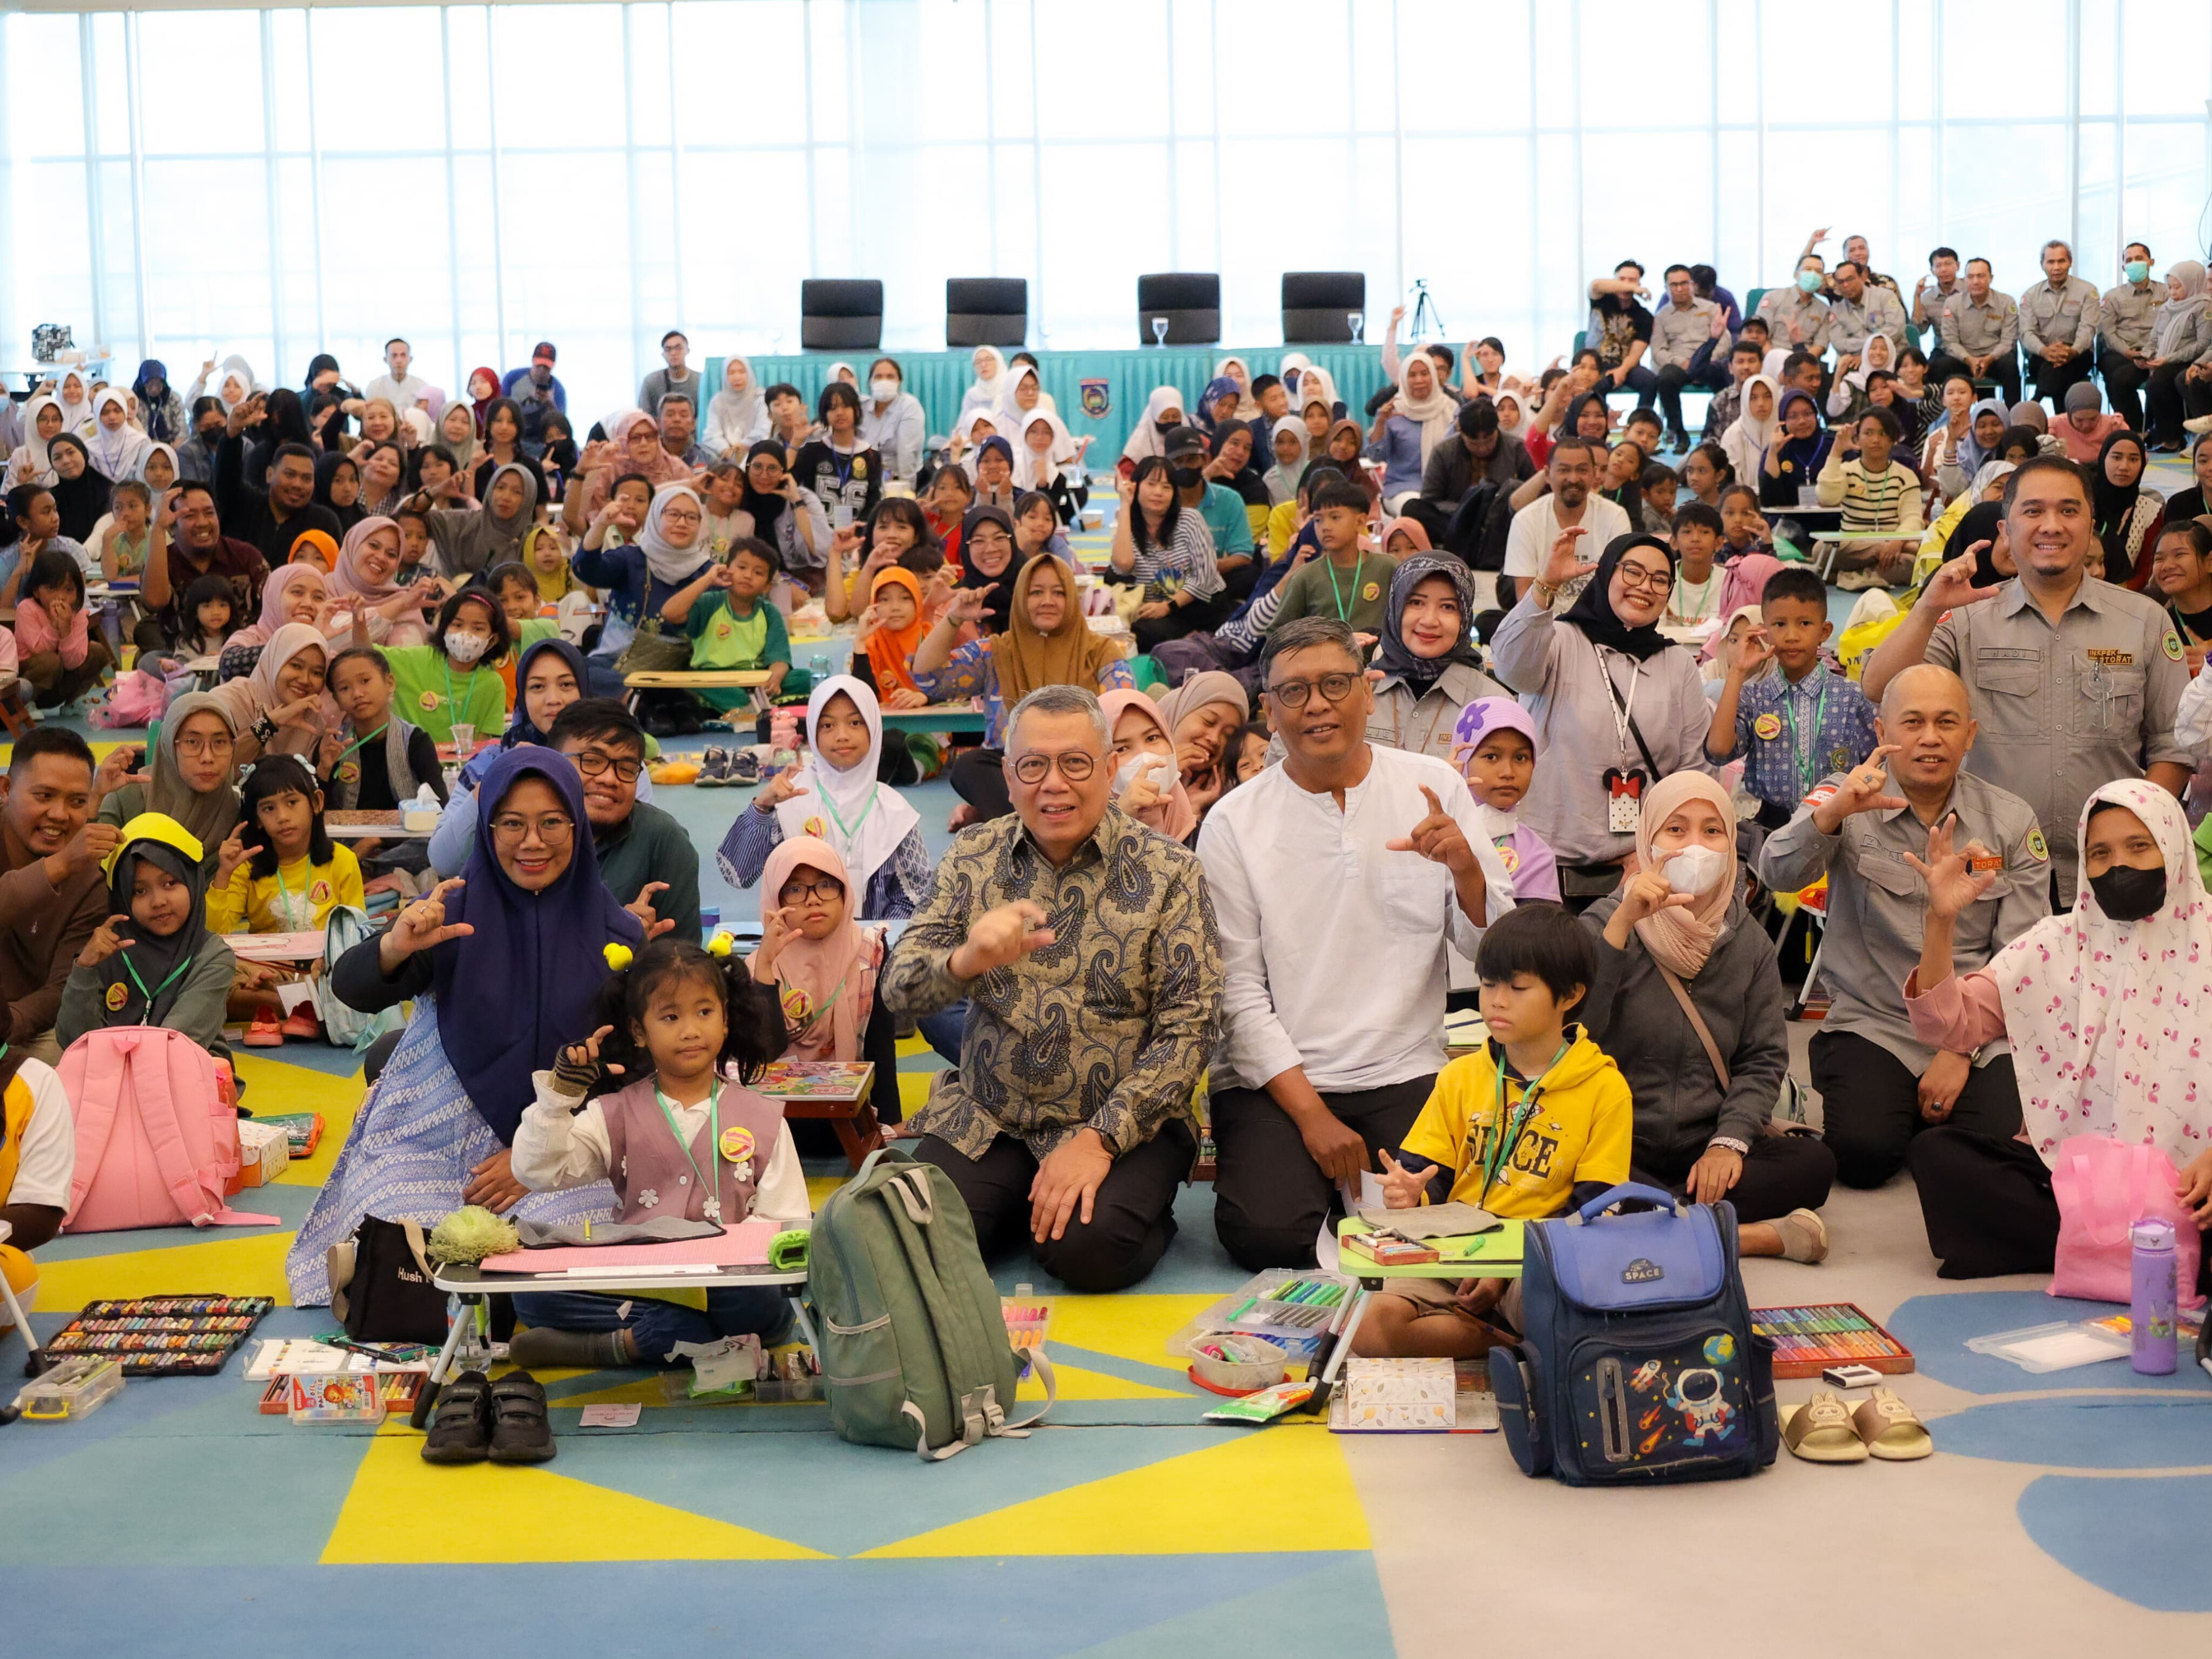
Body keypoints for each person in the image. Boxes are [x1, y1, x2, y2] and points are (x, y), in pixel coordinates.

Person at [881, 685, 1220, 1293]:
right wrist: (965, 961)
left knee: (1087, 1252)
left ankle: (1127, 1207)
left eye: (1076, 763)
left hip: (1124, 1124)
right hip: (995, 1115)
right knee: (914, 1245)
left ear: (1111, 769)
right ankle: (1016, 1205)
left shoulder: (1171, 871)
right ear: (1009, 777)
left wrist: (1098, 1140)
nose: (1054, 784)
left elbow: (1190, 1028)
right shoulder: (974, 857)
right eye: (1033, 765)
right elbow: (898, 995)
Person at [1199, 617, 1508, 1269]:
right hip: (1278, 1082)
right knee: (1267, 1236)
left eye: (1335, 684)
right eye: (1295, 691)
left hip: (1405, 1065)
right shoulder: (1233, 822)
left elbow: (1494, 953)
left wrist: (1465, 871)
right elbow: (1237, 991)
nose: (1317, 705)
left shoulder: (1432, 788)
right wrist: (1313, 1118)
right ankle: (1328, 1186)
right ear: (1269, 710)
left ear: (1367, 692)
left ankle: (1354, 1195)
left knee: (1455, 1214)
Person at [288, 748, 646, 1303]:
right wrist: (395, 946)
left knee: (580, 1247)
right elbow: (351, 988)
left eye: (552, 822)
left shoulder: (617, 936)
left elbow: (635, 1079)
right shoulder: (448, 915)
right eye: (512, 824)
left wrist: (533, 1159)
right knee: (388, 1225)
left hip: (566, 1146)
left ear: (577, 827)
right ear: (487, 827)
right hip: (440, 1137)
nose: (533, 842)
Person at [1902, 780, 2212, 1280]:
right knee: (1939, 1155)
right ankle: (2146, 1248)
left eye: (2139, 846)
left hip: (2192, 1185)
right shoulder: (2054, 943)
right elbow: (1948, 1025)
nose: (2119, 866)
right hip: (2076, 1180)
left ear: (2173, 845)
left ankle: (2098, 1245)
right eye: (2100, 853)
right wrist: (1941, 921)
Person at [1755, 664, 2047, 1191]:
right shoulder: (1842, 796)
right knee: (1863, 1156)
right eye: (1912, 723)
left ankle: (1925, 1115)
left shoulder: (2009, 823)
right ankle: (1897, 1111)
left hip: (1975, 1029)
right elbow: (1774, 871)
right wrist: (1834, 814)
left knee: (2004, 1148)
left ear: (1970, 735)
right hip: (1873, 1023)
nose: (1930, 738)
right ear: (1882, 732)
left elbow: (2021, 957)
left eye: (1946, 723)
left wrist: (1960, 1051)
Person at [1864, 456, 2191, 902]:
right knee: (1993, 972)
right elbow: (1880, 689)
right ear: (2006, 530)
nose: (2052, 525)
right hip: (1990, 865)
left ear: (2091, 525)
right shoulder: (1966, 620)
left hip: (2108, 866)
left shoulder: (2146, 621)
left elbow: (2173, 743)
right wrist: (1925, 608)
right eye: (2033, 511)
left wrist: (2136, 826)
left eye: (2069, 511)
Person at [504, 935, 802, 1370]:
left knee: (755, 1297)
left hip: (732, 1285)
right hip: (644, 1282)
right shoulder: (614, 1112)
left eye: (705, 1012)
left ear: (725, 1020)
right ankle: (685, 1336)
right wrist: (560, 1096)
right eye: (670, 1016)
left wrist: (711, 1268)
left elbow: (786, 1223)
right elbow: (537, 1172)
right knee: (532, 1292)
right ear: (639, 1031)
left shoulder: (765, 1119)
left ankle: (618, 1345)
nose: (690, 1029)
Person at [1349, 904, 1630, 1359]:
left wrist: (1505, 1269)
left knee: (1563, 1323)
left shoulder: (1605, 1088)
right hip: (1454, 1254)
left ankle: (1509, 1329)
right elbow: (1427, 1176)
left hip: (1539, 1261)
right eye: (1487, 984)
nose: (1497, 1000)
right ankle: (1501, 1340)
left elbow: (1593, 1214)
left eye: (1518, 988)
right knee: (1369, 1331)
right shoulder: (1460, 1077)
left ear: (1571, 995)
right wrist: (1409, 1196)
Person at [1580, 773, 1835, 1260]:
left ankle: (1655, 1225)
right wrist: (1621, 926)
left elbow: (1763, 1060)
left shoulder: (1750, 942)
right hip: (1618, 1144)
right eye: (1676, 830)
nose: (1695, 846)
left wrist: (1729, 1142)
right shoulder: (1605, 922)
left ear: (1729, 844)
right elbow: (1574, 1034)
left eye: (1712, 831)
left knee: (1813, 1163)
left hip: (1705, 1142)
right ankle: (1740, 1236)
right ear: (1648, 840)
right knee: (1577, 1180)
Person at [1490, 531, 1713, 907]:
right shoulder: (1559, 640)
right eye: (1633, 572)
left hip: (1638, 871)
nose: (1645, 587)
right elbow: (1512, 669)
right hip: (1544, 866)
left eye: (1660, 580)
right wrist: (1546, 585)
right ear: (1607, 574)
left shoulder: (1677, 665)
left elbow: (1692, 773)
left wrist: (1661, 852)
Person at [917, 550, 1130, 822]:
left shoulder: (1100, 651)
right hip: (1018, 770)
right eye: (1036, 593)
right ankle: (1030, 827)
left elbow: (1122, 712)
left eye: (1059, 593)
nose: (1048, 602)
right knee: (972, 766)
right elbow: (929, 678)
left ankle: (1006, 824)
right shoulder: (998, 651)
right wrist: (954, 618)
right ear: (1020, 599)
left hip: (1078, 767)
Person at [720, 675, 930, 918]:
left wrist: (874, 942)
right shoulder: (791, 798)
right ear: (812, 731)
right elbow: (738, 874)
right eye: (828, 726)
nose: (842, 735)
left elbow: (914, 897)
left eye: (855, 723)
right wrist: (763, 806)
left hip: (874, 947)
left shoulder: (894, 811)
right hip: (798, 943)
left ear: (873, 728)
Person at [747, 835, 902, 1129]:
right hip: (778, 1120)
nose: (813, 898)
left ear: (845, 892)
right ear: (774, 900)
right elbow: (766, 1052)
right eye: (795, 889)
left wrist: (890, 1123)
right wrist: (766, 970)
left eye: (826, 884)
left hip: (852, 1114)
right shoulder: (756, 967)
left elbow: (880, 1044)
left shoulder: (871, 952)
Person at [1705, 565, 1877, 827]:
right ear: (1765, 631)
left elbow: (1877, 764)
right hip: (1771, 826)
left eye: (1805, 624)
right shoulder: (1755, 697)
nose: (1792, 636)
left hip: (1842, 822)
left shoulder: (1851, 697)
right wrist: (1738, 671)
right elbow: (1718, 751)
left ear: (1825, 631)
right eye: (1780, 624)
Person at [60, 811, 236, 1058]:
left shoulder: (212, 956)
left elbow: (177, 1045)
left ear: (193, 883)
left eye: (170, 883)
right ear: (122, 898)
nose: (159, 902)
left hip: (188, 1084)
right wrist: (85, 968)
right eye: (139, 891)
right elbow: (73, 1041)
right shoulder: (108, 950)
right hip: (110, 1085)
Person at [0, 728, 114, 1062]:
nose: (60, 815)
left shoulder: (91, 881)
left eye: (77, 801)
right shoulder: (71, 861)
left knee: (77, 1057)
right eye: (44, 796)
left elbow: (65, 984)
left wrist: (8, 1025)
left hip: (26, 1028)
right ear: (6, 789)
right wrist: (58, 865)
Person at [574, 480, 716, 697]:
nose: (682, 523)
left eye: (691, 517)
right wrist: (601, 524)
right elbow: (586, 570)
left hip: (680, 672)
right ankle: (641, 698)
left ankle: (643, 699)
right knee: (574, 672)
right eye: (673, 514)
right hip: (617, 667)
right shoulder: (631, 559)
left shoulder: (709, 573)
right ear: (656, 516)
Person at [1366, 554, 1503, 763]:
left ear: (1465, 617)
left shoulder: (1492, 704)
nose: (1429, 620)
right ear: (1396, 608)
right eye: (1416, 602)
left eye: (1448, 607)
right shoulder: (1359, 692)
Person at [1110, 453, 1228, 651]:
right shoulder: (1127, 526)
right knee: (1136, 635)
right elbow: (1122, 566)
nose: (1159, 492)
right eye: (1151, 484)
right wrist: (1124, 503)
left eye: (1167, 487)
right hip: (1160, 611)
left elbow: (1205, 576)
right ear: (1135, 486)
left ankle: (1197, 642)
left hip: (1201, 606)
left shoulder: (1190, 519)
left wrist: (1169, 606)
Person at [664, 535, 791, 713]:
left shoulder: (770, 613)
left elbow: (780, 658)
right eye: (742, 567)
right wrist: (707, 579)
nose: (748, 576)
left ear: (767, 586)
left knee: (802, 678)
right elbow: (670, 613)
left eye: (758, 573)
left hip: (755, 679)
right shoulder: (710, 603)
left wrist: (775, 677)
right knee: (701, 682)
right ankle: (751, 706)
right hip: (714, 678)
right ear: (727, 569)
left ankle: (752, 704)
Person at [1500, 438, 1633, 608]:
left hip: (1597, 626)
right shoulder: (1526, 520)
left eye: (1582, 470)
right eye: (1564, 470)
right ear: (1548, 475)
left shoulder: (1615, 517)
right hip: (1544, 624)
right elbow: (1525, 602)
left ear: (1594, 474)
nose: (1573, 479)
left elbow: (1621, 589)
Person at [1452, 697, 1560, 904]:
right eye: (1491, 757)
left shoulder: (1536, 857)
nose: (1508, 773)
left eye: (1521, 758)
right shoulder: (1430, 833)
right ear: (1463, 759)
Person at [214, 401, 343, 568]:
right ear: (269, 475)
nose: (297, 484)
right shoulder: (245, 504)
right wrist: (233, 433)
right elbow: (226, 477)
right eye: (290, 475)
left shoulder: (325, 521)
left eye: (306, 478)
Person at [320, 646, 448, 814]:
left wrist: (376, 841)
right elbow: (319, 813)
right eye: (345, 688)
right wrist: (323, 769)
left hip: (408, 837)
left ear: (390, 683)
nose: (357, 694)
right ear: (337, 700)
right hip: (347, 839)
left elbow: (440, 808)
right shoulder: (334, 745)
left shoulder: (415, 741)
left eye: (365, 681)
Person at [1265, 477, 1400, 635]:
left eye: (1335, 517)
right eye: (1318, 520)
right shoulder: (1305, 577)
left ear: (1360, 522)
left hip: (1378, 658)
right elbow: (1277, 633)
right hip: (1322, 658)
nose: (1325, 527)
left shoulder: (1387, 568)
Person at [1820, 408, 1926, 590]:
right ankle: (1871, 573)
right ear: (1857, 438)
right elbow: (1826, 497)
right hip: (1853, 544)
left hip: (1893, 546)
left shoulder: (1906, 476)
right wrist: (1836, 451)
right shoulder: (1847, 471)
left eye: (1883, 434)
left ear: (1893, 439)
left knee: (1911, 564)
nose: (1876, 440)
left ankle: (1847, 575)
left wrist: (1896, 543)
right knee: (1822, 550)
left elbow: (1913, 518)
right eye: (1868, 433)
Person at [15, 550, 113, 707]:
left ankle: (73, 702)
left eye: (69, 590)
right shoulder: (27, 609)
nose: (60, 597)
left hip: (59, 685)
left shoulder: (78, 615)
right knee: (51, 661)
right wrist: (54, 627)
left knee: (97, 651)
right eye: (51, 589)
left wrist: (66, 631)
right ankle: (27, 704)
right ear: (36, 591)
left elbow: (72, 664)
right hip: (31, 681)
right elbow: (39, 649)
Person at [1650, 264, 1729, 449]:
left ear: (1692, 285)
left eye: (1684, 283)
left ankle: (1718, 430)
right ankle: (1679, 434)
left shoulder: (1711, 308)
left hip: (1708, 361)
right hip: (1680, 365)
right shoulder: (1661, 316)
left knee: (1724, 372)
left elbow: (1725, 341)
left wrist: (1705, 360)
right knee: (1666, 378)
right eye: (1674, 285)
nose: (1679, 289)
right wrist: (1682, 363)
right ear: (1667, 288)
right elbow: (1658, 351)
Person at [2019, 240, 2102, 408]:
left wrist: (2072, 351)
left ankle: (2036, 402)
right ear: (2043, 265)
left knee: (2059, 369)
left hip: (2078, 355)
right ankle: (2061, 421)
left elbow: (2088, 328)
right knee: (2056, 371)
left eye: (2061, 261)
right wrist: (2045, 351)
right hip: (2041, 356)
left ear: (2070, 262)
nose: (2056, 267)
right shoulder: (2031, 295)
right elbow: (2026, 333)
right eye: (2051, 262)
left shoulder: (2088, 291)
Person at [792, 381, 882, 531]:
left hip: (857, 537)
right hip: (817, 536)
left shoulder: (871, 455)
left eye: (845, 406)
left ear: (857, 411)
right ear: (824, 415)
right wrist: (796, 442)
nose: (840, 412)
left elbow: (873, 503)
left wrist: (857, 534)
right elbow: (788, 482)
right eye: (832, 408)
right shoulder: (812, 451)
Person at [2143, 261, 2212, 452]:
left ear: (2192, 284)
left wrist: (2170, 359)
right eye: (2170, 287)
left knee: (2166, 381)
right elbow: (2155, 336)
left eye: (2177, 287)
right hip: (2165, 359)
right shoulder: (2167, 307)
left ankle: (2186, 438)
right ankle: (2169, 436)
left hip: (2187, 359)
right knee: (2151, 380)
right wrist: (2146, 355)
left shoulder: (2204, 306)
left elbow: (2203, 344)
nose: (2172, 292)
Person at [1938, 258, 2022, 406]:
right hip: (1964, 359)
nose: (1976, 281)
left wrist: (1988, 359)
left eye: (1981, 276)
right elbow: (1950, 341)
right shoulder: (1953, 303)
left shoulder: (2006, 302)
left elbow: (2008, 342)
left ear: (1991, 278)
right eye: (1971, 277)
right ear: (1965, 280)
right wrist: (1969, 359)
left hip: (1994, 359)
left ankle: (2013, 419)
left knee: (2010, 365)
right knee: (1940, 366)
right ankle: (1941, 419)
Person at [2098, 242, 2161, 430]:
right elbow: (2108, 332)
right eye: (2129, 260)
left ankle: (2152, 427)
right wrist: (2128, 352)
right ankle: (2134, 429)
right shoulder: (2112, 296)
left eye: (2139, 259)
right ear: (2124, 267)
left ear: (2151, 262)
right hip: (2123, 352)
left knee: (2158, 379)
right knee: (2117, 376)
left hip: (2159, 353)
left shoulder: (2167, 292)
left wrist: (2153, 354)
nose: (2135, 264)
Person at [2089, 429, 2164, 586]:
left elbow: (2147, 569)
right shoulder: (2082, 503)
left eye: (2133, 459)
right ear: (2103, 458)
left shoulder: (2150, 511)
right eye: (2117, 457)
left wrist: (2120, 595)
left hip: (2126, 596)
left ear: (2142, 464)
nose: (2124, 466)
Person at [1586, 260, 1657, 404]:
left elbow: (1636, 354)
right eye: (1622, 279)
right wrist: (1632, 288)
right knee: (1597, 386)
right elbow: (1596, 285)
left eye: (1632, 281)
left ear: (1639, 283)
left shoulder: (1644, 316)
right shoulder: (1600, 299)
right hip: (1595, 363)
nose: (1627, 285)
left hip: (1626, 365)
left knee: (1650, 381)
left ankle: (1641, 422)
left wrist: (1622, 370)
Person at [501, 342, 567, 449]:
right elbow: (500, 406)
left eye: (546, 368)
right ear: (533, 360)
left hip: (541, 443)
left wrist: (550, 404)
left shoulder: (558, 389)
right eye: (539, 365)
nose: (542, 370)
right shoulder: (513, 378)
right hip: (513, 439)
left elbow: (562, 426)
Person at [705, 355, 769, 457]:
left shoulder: (761, 398)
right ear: (725, 376)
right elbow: (711, 434)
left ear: (749, 374)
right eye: (731, 373)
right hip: (725, 456)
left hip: (757, 453)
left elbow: (764, 430)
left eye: (742, 372)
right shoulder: (718, 401)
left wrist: (741, 447)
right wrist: (725, 450)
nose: (737, 377)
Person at [2055, 381, 2129, 465]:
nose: (2086, 425)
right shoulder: (2054, 426)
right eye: (2079, 420)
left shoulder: (2115, 425)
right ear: (2069, 413)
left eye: (2093, 419)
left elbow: (2138, 454)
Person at [365, 339, 434, 415]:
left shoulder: (422, 387)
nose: (399, 360)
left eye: (403, 355)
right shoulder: (375, 386)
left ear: (410, 359)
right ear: (386, 359)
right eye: (394, 356)